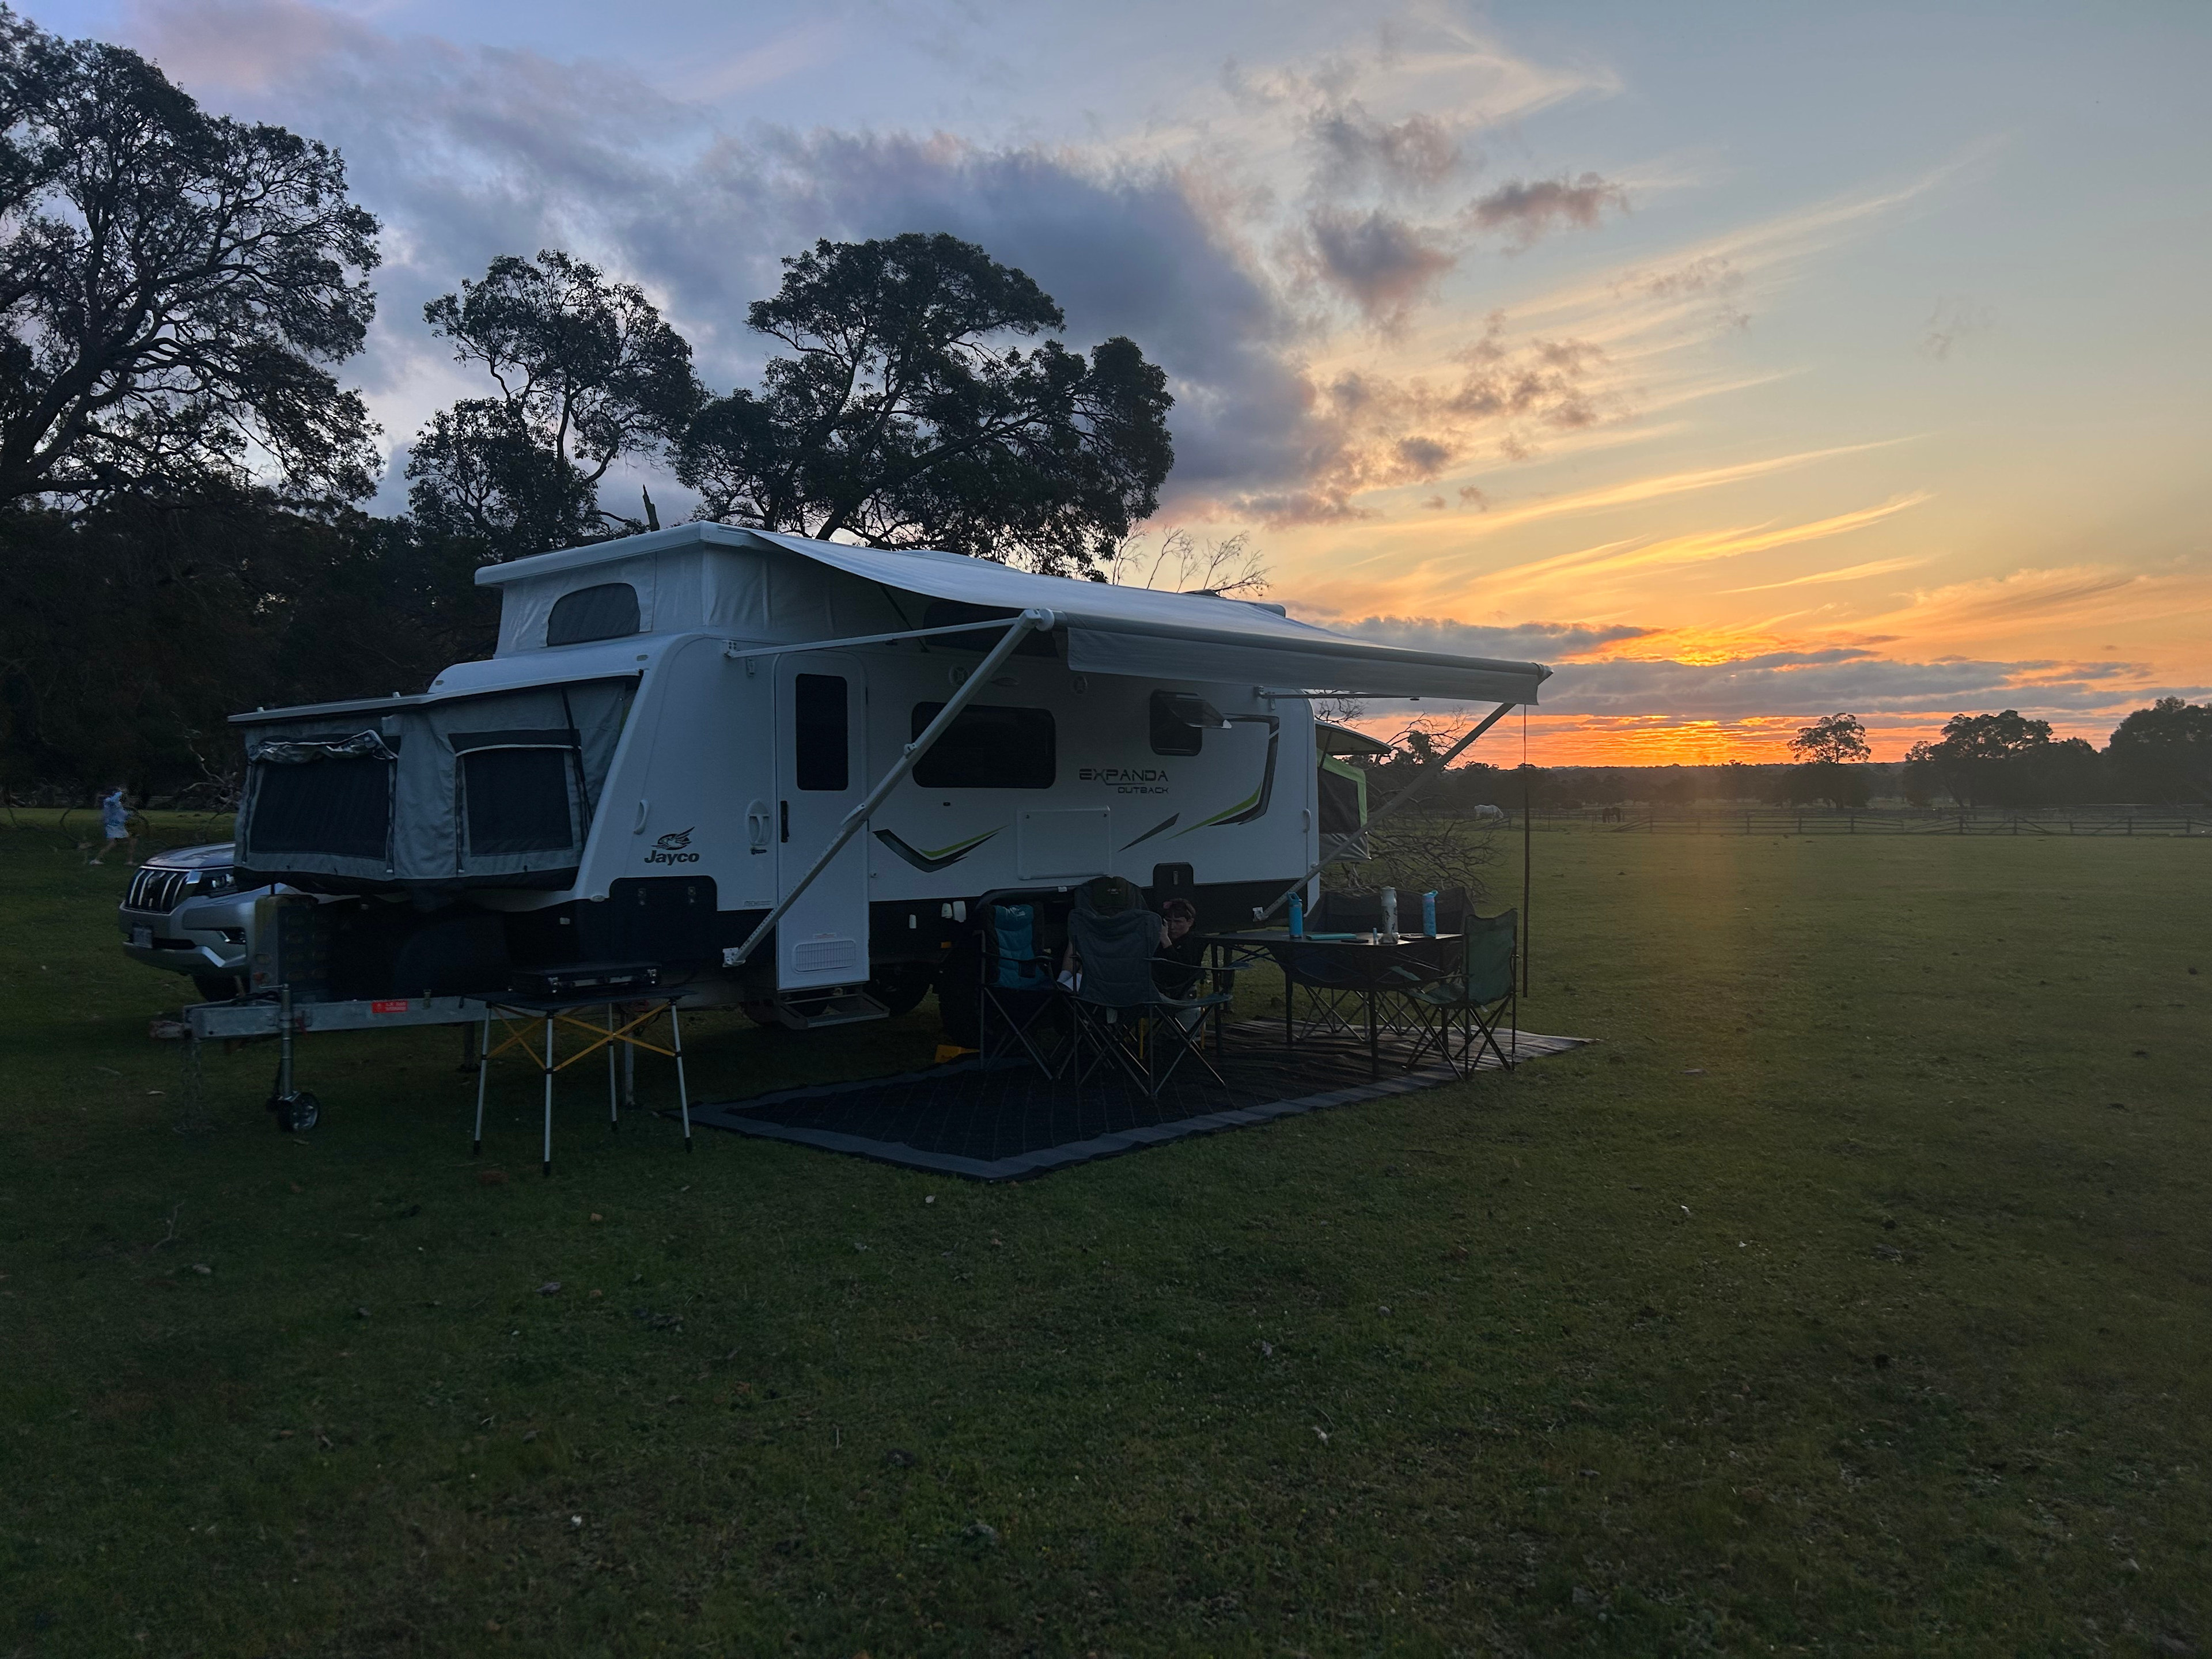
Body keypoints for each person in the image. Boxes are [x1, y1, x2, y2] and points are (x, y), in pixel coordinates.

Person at [1153, 897, 1205, 998]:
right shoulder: (1157, 940)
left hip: (1180, 989)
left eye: (1178, 922)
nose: (1172, 927)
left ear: (1190, 922)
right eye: (1168, 921)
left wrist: (1166, 942)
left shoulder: (1194, 942)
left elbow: (1182, 972)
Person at [89, 783, 135, 865]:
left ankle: (129, 861)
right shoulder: (109, 802)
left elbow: (122, 814)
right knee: (112, 844)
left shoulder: (118, 804)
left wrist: (131, 814)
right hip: (112, 827)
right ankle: (96, 860)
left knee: (132, 841)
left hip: (120, 827)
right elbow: (114, 802)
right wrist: (121, 792)